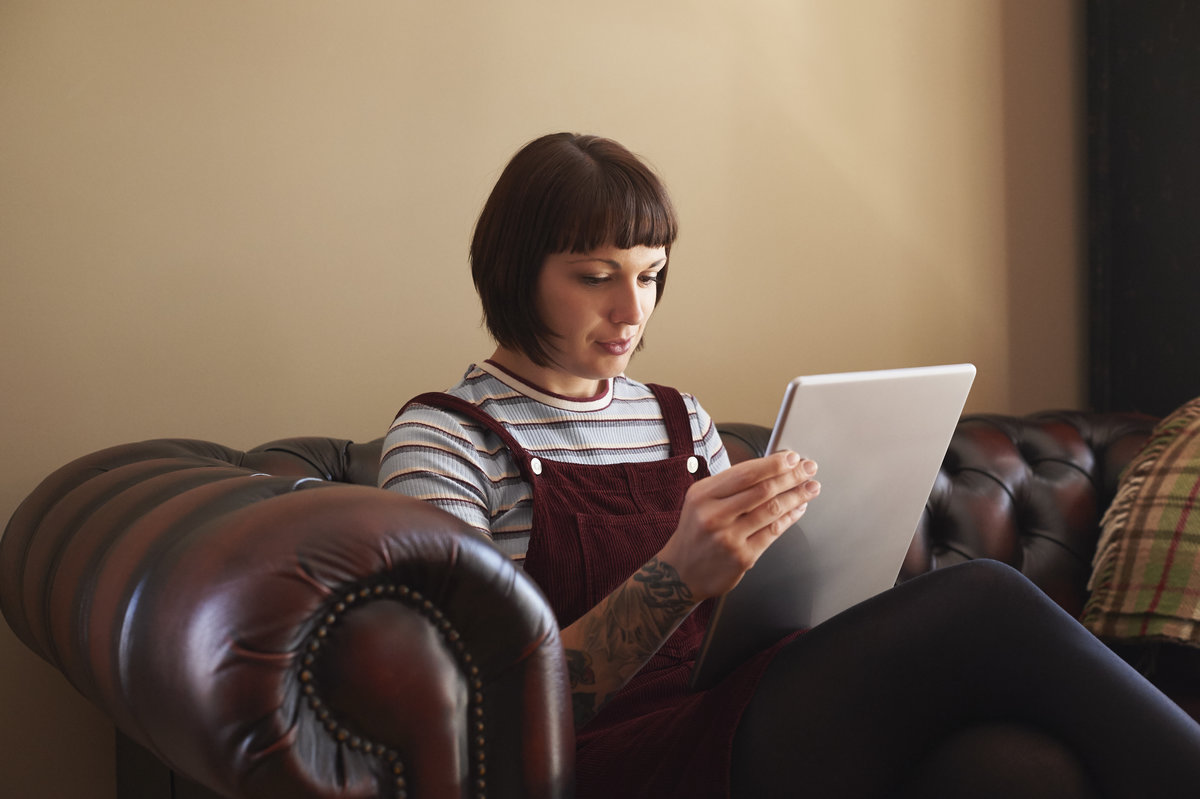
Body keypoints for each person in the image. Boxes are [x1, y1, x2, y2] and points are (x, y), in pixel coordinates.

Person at [379, 132, 1200, 798]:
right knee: (984, 593)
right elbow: (479, 718)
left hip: (730, 708)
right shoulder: (446, 442)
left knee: (1019, 769)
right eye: (596, 277)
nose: (633, 311)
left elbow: (735, 630)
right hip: (596, 760)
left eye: (651, 275)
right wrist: (675, 576)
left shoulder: (679, 417)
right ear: (515, 271)